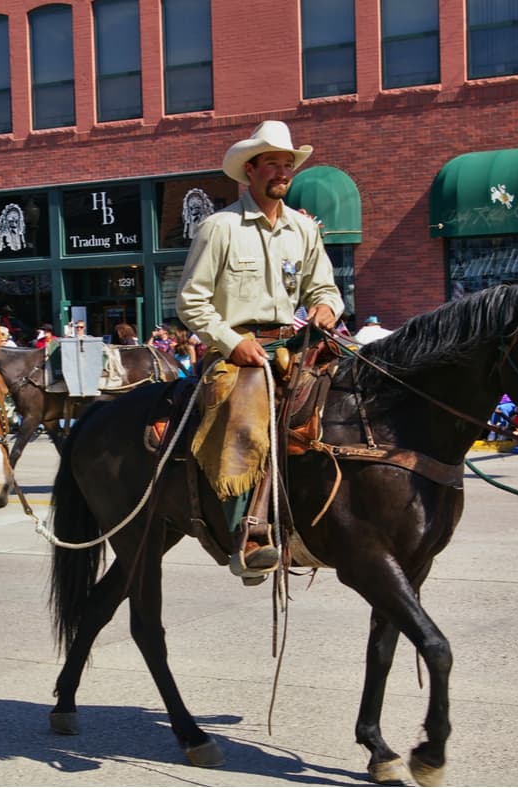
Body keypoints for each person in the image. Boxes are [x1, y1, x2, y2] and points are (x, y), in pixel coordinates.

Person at [176, 120, 343, 581]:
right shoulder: (219, 227)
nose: (283, 171)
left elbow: (324, 288)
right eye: (273, 163)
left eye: (288, 164)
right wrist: (233, 342)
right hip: (236, 350)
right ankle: (247, 535)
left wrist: (326, 308)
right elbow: (191, 301)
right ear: (250, 170)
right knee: (245, 413)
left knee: (352, 390)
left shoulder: (303, 229)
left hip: (293, 343)